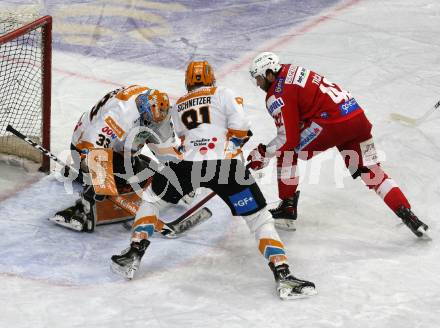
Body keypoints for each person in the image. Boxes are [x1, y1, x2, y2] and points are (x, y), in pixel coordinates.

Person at [110, 61, 317, 300]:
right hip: (226, 168)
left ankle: (133, 254)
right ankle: (283, 275)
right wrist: (236, 145)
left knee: (151, 200)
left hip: (187, 167)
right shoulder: (224, 93)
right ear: (212, 79)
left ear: (188, 81)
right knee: (259, 219)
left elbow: (184, 138)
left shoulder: (179, 105)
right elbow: (240, 128)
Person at [247, 51, 429, 237]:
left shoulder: (276, 95)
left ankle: (287, 207)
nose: (259, 84)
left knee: (287, 152)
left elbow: (288, 139)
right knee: (371, 171)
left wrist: (263, 154)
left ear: (270, 73)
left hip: (332, 124)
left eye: (260, 79)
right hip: (356, 117)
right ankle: (407, 214)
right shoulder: (292, 70)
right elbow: (305, 104)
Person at [50, 85, 182, 235]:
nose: (152, 125)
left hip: (118, 147)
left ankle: (80, 173)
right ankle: (81, 180)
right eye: (148, 120)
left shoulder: (158, 111)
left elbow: (166, 146)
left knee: (145, 171)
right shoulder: (122, 113)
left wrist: (181, 171)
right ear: (142, 110)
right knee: (112, 181)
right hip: (85, 145)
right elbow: (94, 144)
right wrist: (99, 177)